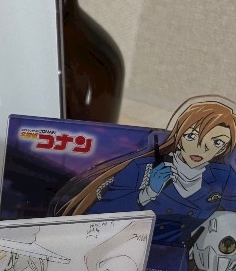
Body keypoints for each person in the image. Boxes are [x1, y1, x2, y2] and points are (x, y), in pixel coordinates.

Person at [58, 98, 236, 246]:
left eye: (217, 142)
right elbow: (97, 216)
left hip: (175, 264)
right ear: (178, 136)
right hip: (122, 254)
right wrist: (147, 193)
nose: (201, 148)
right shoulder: (142, 168)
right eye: (191, 136)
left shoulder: (223, 175)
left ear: (224, 148)